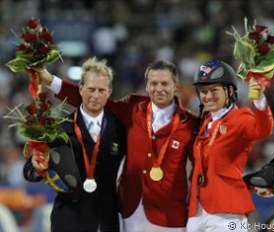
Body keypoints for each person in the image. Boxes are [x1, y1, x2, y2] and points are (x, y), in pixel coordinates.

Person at [34, 60, 196, 232]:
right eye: (154, 83)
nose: (159, 88)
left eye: (165, 83)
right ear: (147, 86)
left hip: (170, 215)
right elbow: (92, 97)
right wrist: (51, 81)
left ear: (175, 86)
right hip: (131, 211)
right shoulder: (133, 108)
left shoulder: (191, 123)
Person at [23, 57, 126, 232]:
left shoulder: (120, 129)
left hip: (107, 221)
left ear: (109, 92)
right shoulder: (60, 128)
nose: (95, 96)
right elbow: (29, 172)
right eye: (91, 89)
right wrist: (37, 166)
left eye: (101, 90)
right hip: (69, 220)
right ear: (80, 89)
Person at [186, 60, 274, 232]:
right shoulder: (205, 122)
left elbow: (262, 130)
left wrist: (260, 101)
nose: (208, 96)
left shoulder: (240, 118)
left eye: (214, 90)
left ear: (230, 91)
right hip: (196, 212)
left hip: (227, 212)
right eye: (203, 91)